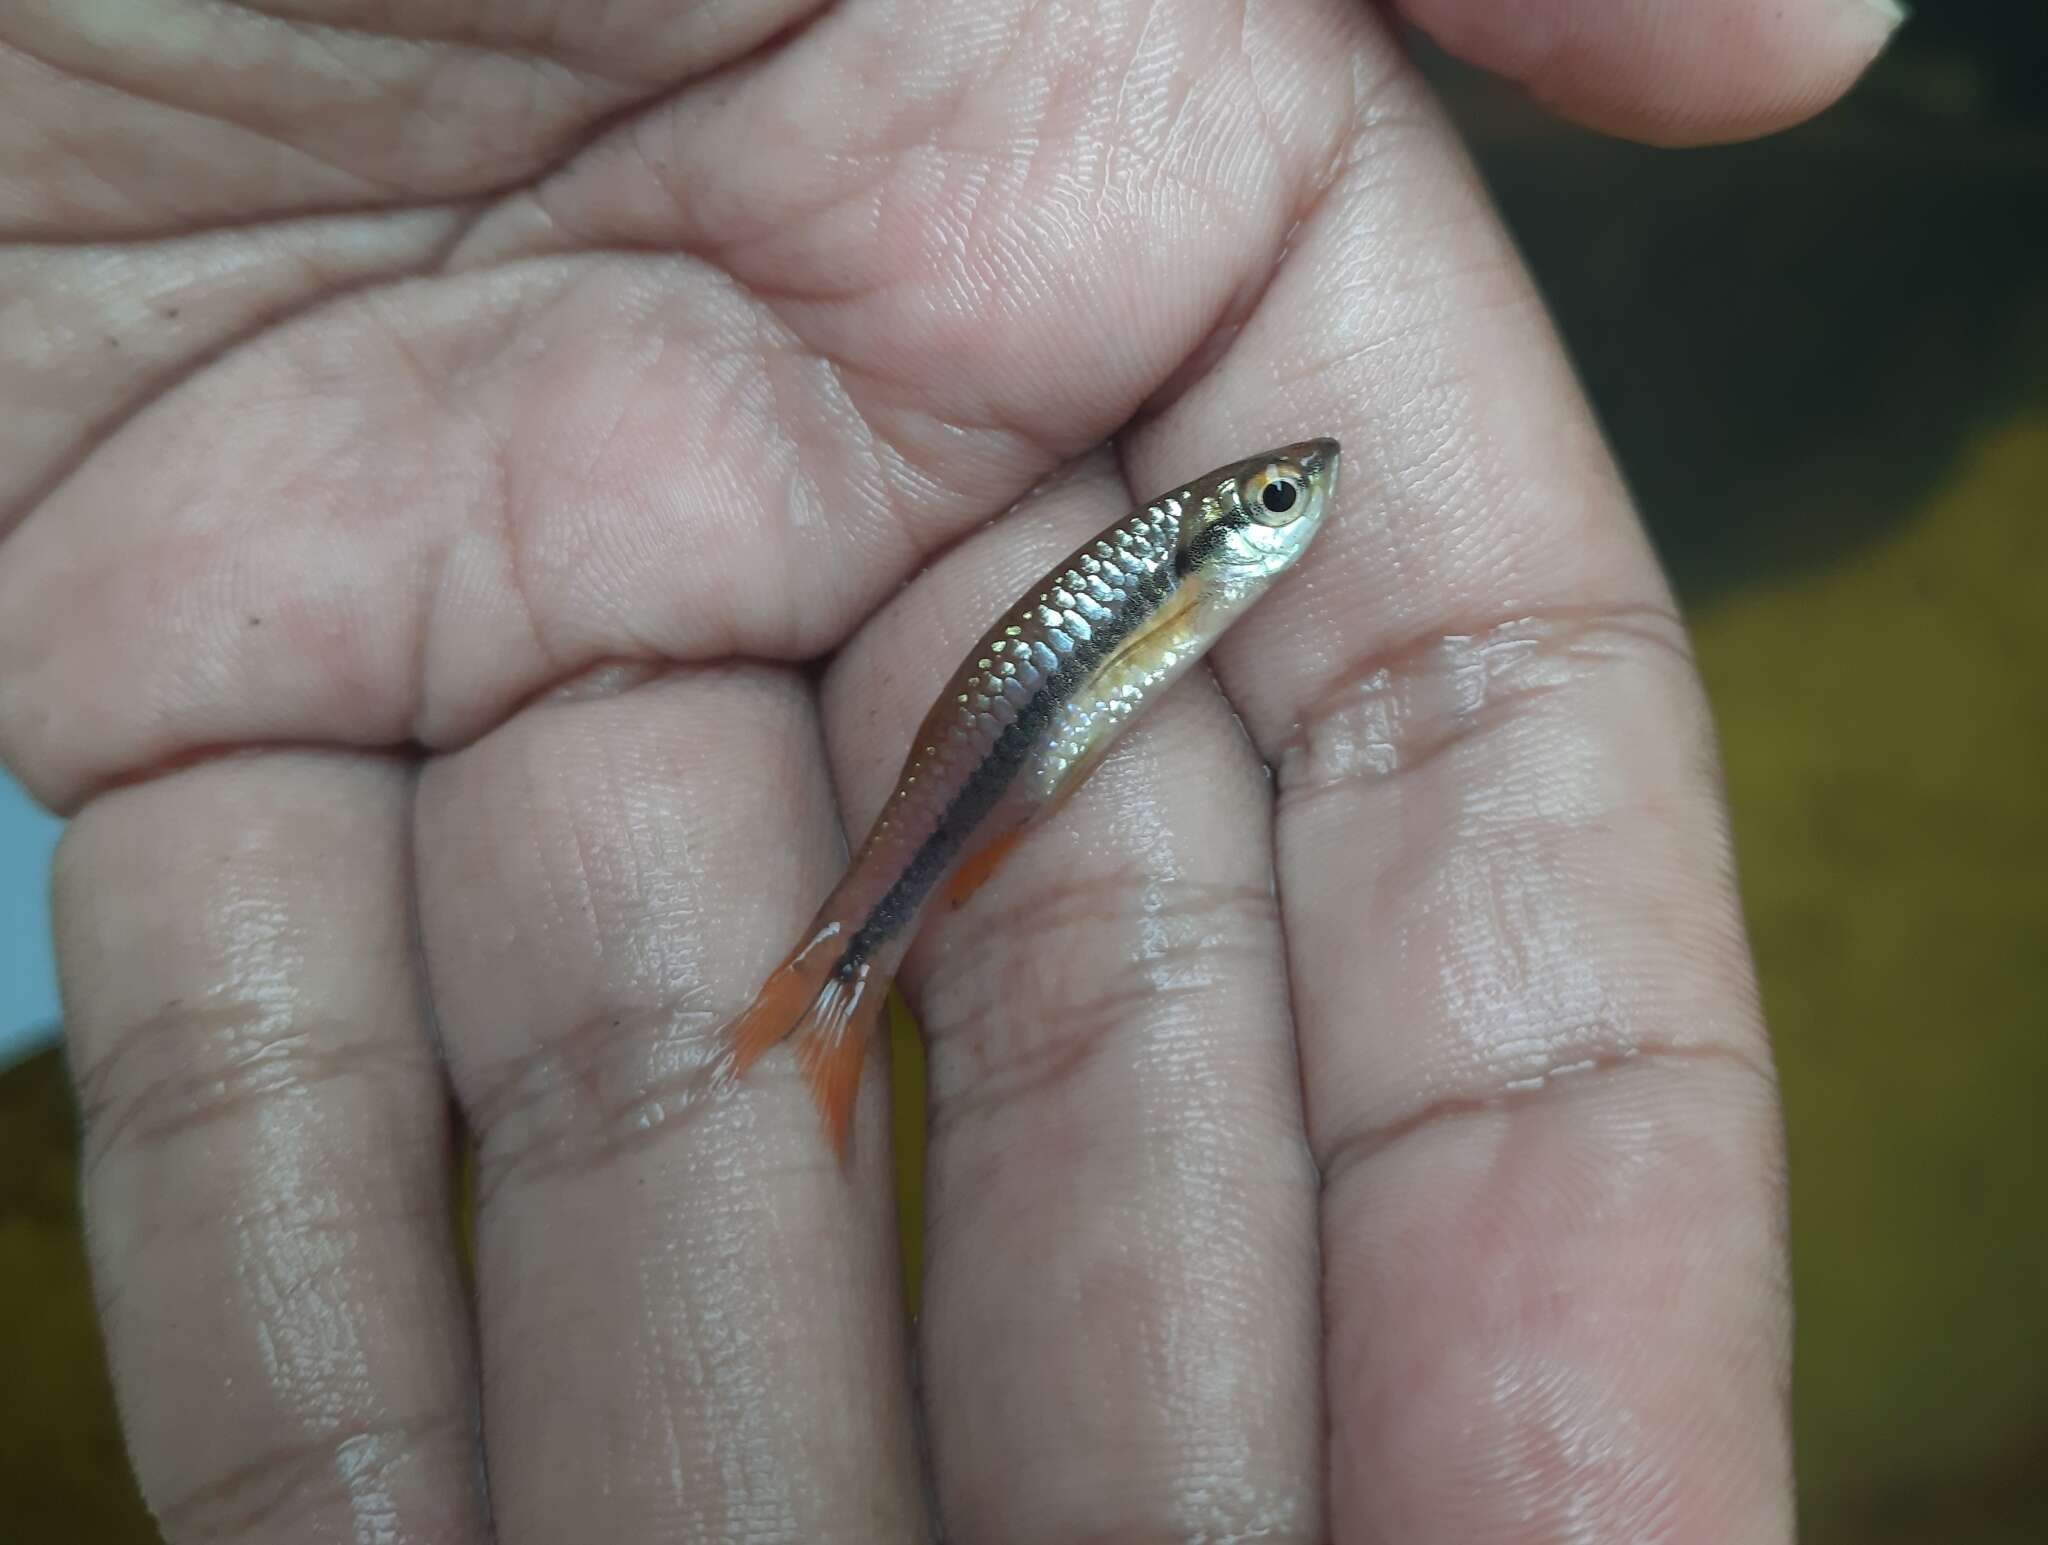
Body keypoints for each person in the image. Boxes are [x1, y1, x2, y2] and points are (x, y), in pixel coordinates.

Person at [0, 0, 1901, 1538]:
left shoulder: (1183, 576)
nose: (1289, 507)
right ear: (1220, 534)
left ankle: (839, 979)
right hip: (986, 751)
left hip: (998, 741)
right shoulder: (1180, 570)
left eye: (1282, 498)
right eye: (1271, 497)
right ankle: (837, 979)